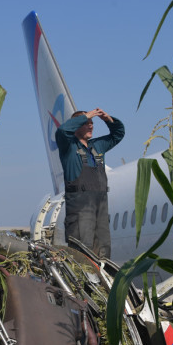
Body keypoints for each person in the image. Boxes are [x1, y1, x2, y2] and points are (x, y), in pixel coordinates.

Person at [55, 109, 124, 258]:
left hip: (101, 207)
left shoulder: (97, 147)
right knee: (82, 253)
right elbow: (62, 130)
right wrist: (86, 116)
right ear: (76, 126)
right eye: (86, 124)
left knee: (103, 251)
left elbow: (118, 134)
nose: (91, 126)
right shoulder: (69, 147)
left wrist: (108, 119)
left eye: (92, 123)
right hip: (80, 208)